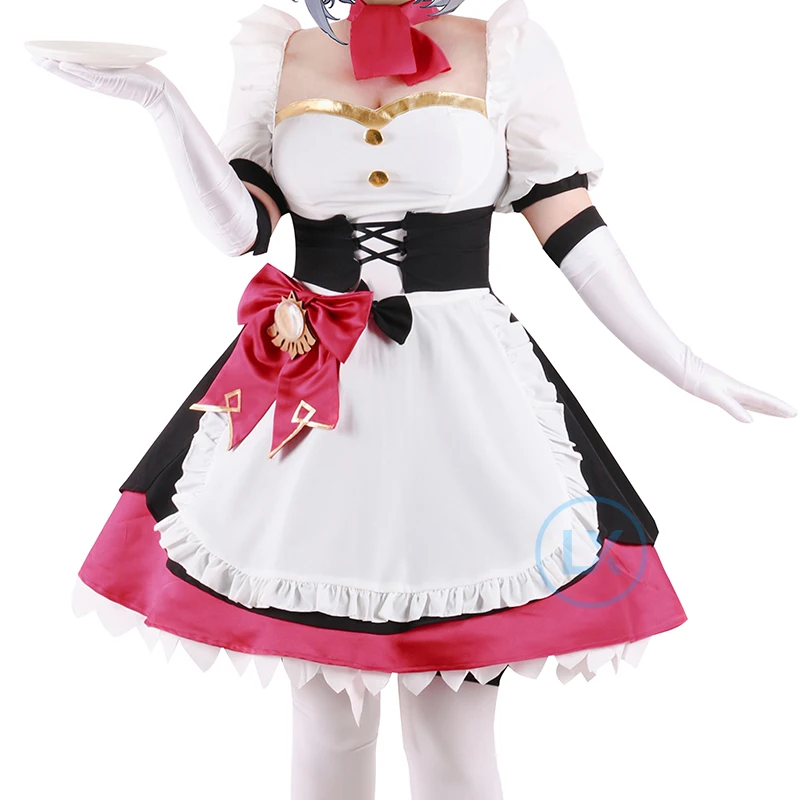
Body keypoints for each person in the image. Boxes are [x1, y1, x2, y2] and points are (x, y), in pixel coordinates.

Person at [31, 1, 797, 798]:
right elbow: (238, 233)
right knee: (328, 727)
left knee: (451, 735)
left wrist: (686, 365)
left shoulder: (508, 46)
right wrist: (159, 101)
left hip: (463, 399)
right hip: (312, 393)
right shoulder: (277, 50)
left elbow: (575, 233)